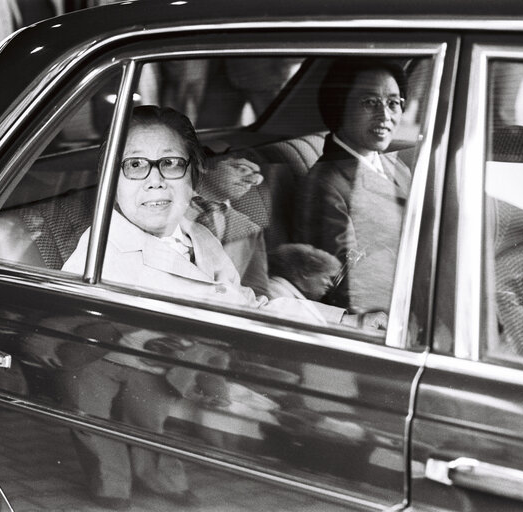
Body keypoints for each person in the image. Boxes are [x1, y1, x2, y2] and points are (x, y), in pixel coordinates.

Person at [61, 105, 373, 509]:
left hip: (158, 361)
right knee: (97, 427)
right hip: (100, 357)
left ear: (194, 175)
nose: (154, 181)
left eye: (170, 164)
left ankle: (161, 481)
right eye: (134, 165)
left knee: (152, 424)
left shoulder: (197, 237)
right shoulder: (100, 249)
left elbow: (249, 306)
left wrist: (348, 320)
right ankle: (112, 492)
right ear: (110, 178)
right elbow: (73, 317)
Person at [296, 58, 412, 316]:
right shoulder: (326, 184)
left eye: (393, 103)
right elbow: (344, 284)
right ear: (339, 106)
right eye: (370, 102)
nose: (385, 115)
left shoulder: (393, 165)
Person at [187, 154, 270, 295]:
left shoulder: (250, 229)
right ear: (204, 165)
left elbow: (257, 289)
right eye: (242, 169)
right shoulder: (162, 206)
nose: (252, 180)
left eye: (257, 175)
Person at [267, 243, 341, 301]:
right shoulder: (278, 294)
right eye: (326, 277)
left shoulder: (284, 292)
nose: (331, 284)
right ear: (306, 272)